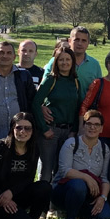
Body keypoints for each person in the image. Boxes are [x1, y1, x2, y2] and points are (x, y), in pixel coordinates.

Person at [0, 113, 51, 219]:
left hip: (17, 195)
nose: (22, 131)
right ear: (12, 129)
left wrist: (11, 192)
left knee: (44, 187)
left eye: (27, 128)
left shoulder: (33, 149)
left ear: (32, 131)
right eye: (18, 127)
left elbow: (29, 178)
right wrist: (2, 196)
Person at [52, 110, 110, 219]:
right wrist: (86, 177)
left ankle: (78, 211)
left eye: (96, 125)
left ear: (101, 128)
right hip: (65, 190)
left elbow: (105, 178)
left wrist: (102, 198)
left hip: (90, 194)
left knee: (104, 215)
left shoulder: (105, 149)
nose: (92, 127)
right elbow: (65, 171)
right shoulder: (71, 143)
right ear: (83, 126)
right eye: (89, 124)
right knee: (79, 184)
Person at [33, 45, 85, 183]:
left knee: (61, 168)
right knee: (46, 168)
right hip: (51, 131)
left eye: (68, 59)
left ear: (72, 62)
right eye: (61, 60)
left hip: (68, 132)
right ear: (56, 62)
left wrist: (74, 130)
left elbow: (78, 108)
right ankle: (42, 200)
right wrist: (44, 129)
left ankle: (56, 201)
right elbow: (36, 103)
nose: (64, 63)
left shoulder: (75, 82)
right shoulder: (51, 80)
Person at [42, 26, 102, 91]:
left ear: (88, 43)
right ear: (69, 41)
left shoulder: (95, 65)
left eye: (84, 41)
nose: (80, 43)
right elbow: (43, 87)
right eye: (77, 40)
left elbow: (99, 90)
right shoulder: (55, 61)